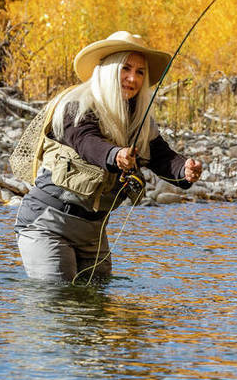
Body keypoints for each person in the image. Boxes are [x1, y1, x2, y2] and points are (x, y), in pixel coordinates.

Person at [14, 31, 203, 284]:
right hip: (47, 224)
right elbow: (86, 142)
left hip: (93, 233)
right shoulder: (75, 105)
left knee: (96, 309)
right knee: (59, 299)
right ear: (108, 69)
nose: (132, 78)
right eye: (125, 68)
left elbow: (163, 157)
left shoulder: (141, 121)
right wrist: (116, 155)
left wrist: (185, 170)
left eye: (140, 72)